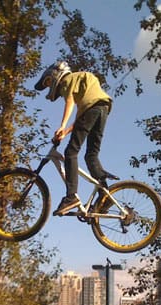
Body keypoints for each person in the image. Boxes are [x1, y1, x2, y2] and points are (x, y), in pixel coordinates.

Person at [34, 61, 118, 216]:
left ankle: (71, 196)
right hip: (103, 109)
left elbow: (70, 102)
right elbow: (83, 116)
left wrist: (62, 125)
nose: (49, 86)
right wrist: (65, 132)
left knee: (71, 152)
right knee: (91, 155)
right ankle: (105, 197)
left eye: (48, 82)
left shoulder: (68, 80)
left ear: (55, 74)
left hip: (92, 110)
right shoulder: (82, 86)